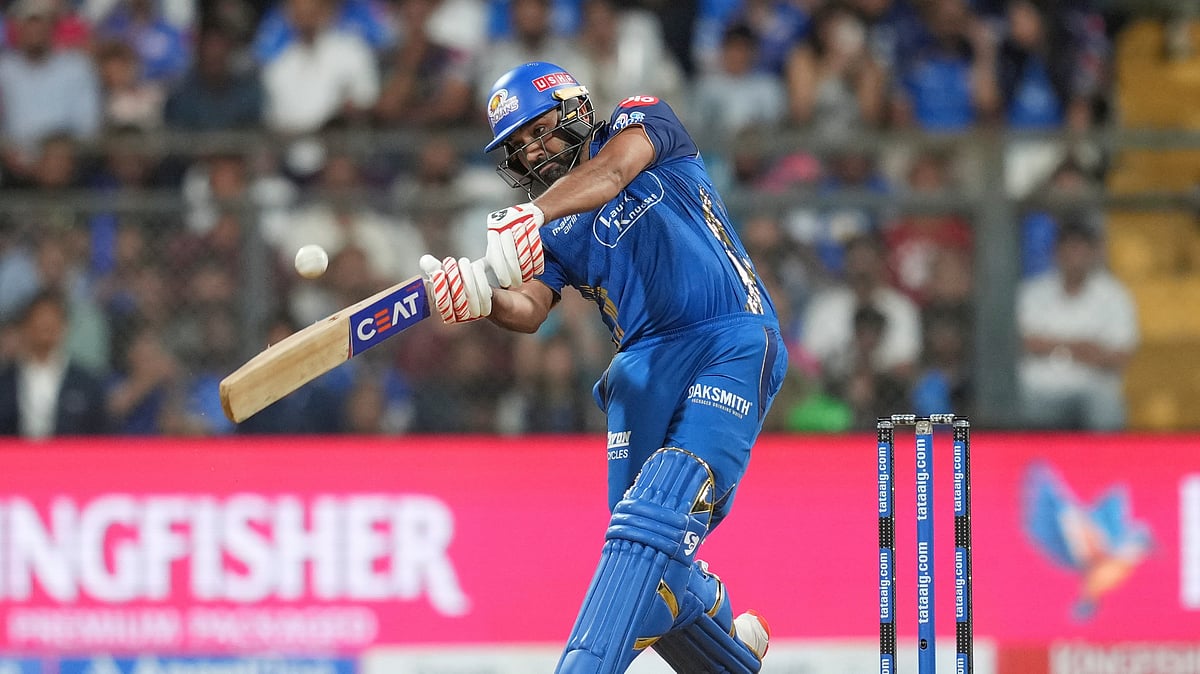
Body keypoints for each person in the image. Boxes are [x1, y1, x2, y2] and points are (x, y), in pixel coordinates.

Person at [419, 61, 785, 672]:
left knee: (662, 507)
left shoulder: (642, 120)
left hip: (728, 334)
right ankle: (725, 634)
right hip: (641, 369)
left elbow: (612, 172)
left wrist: (533, 214)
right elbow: (530, 307)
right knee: (643, 556)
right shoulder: (555, 224)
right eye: (520, 147)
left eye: (540, 131)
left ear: (575, 109)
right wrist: (482, 301)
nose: (534, 152)